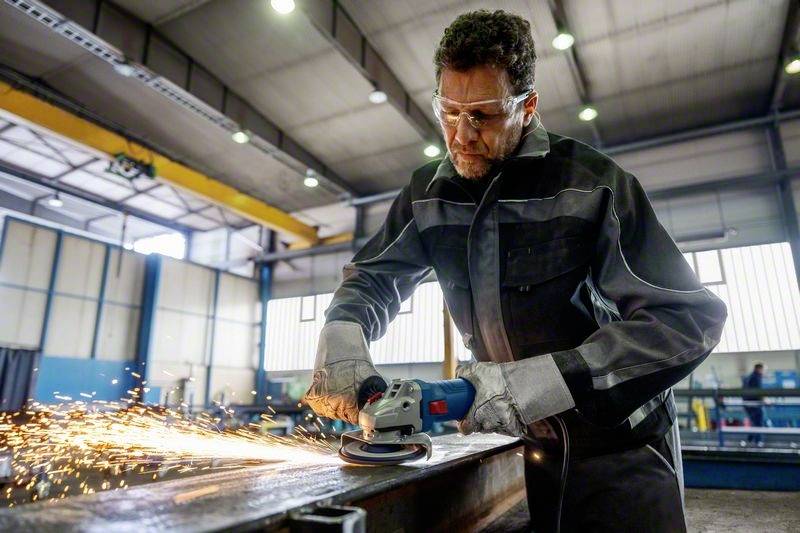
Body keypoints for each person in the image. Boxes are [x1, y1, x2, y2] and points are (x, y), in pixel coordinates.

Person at [304, 10, 727, 533]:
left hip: (621, 454)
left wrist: (536, 385)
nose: (460, 135)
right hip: (527, 451)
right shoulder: (426, 194)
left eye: (482, 115)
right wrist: (343, 344)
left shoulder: (593, 186)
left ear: (527, 107)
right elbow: (372, 278)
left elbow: (685, 322)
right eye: (449, 111)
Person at [744, 363, 766, 445]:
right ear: (759, 369)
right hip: (755, 404)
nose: (763, 371)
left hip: (749, 404)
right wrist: (764, 400)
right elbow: (758, 391)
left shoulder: (750, 377)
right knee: (758, 423)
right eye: (762, 369)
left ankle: (749, 440)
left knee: (754, 422)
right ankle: (758, 442)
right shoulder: (756, 377)